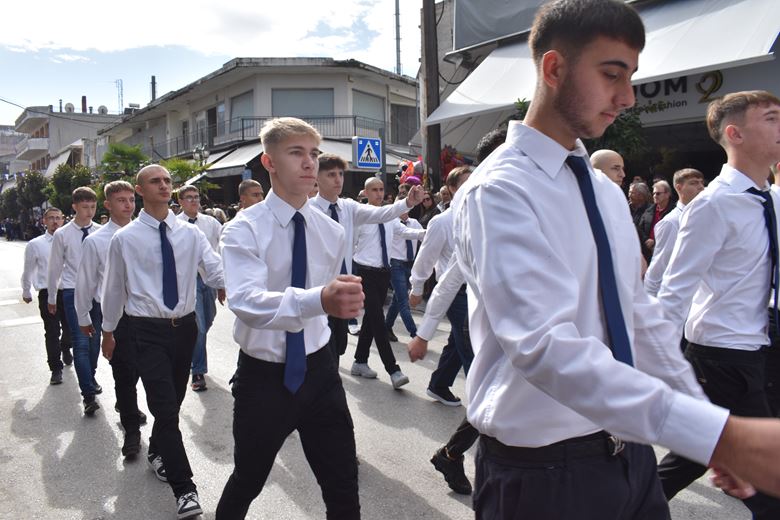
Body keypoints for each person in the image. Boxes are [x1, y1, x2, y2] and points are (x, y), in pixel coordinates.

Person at [452, 2, 780, 518]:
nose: (627, 97)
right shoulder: (499, 190)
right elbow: (544, 346)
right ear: (554, 68)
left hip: (632, 456)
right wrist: (719, 434)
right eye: (612, 74)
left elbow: (640, 317)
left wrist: (704, 431)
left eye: (631, 77)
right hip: (544, 475)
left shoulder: (602, 191)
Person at [217, 118, 363, 519]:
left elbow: (328, 299)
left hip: (320, 371)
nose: (309, 162)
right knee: (248, 479)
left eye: (313, 153)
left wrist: (340, 303)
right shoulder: (243, 229)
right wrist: (320, 299)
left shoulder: (331, 232)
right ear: (269, 162)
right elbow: (246, 301)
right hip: (264, 377)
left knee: (343, 484)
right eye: (296, 153)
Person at [655, 91, 780, 519]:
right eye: (772, 118)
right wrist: (659, 365)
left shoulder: (770, 200)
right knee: (765, 480)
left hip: (760, 347)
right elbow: (675, 290)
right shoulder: (712, 204)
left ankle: (626, 507)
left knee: (696, 455)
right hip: (721, 355)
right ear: (735, 134)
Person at [100, 165, 224, 519]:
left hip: (184, 329)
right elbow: (113, 289)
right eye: (156, 181)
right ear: (140, 190)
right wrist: (108, 332)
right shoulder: (125, 239)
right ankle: (185, 489)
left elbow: (214, 269)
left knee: (173, 402)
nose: (165, 185)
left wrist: (238, 288)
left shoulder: (190, 234)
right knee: (165, 407)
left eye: (168, 180)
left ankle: (158, 450)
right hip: (145, 331)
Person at [407, 127, 505, 496]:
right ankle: (460, 457)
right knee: (486, 385)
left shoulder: (506, 212)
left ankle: (450, 444)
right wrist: (419, 306)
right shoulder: (450, 221)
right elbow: (442, 274)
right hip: (467, 305)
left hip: (506, 318)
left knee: (489, 385)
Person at [309, 153, 423, 358]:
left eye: (341, 174)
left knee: (339, 345)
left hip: (343, 287)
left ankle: (358, 362)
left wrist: (407, 202)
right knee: (323, 350)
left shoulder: (348, 207)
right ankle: (388, 367)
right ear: (316, 177)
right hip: (317, 289)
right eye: (331, 174)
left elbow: (381, 214)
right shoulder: (308, 209)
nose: (338, 180)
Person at [75, 180, 147, 458]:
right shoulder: (96, 241)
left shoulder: (147, 234)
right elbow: (85, 282)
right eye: (121, 200)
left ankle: (126, 404)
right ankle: (132, 430)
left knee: (143, 370)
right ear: (107, 205)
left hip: (148, 315)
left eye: (131, 199)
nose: (128, 205)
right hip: (118, 317)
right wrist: (84, 316)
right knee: (124, 374)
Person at [350, 176, 425, 389]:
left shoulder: (389, 216)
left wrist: (427, 233)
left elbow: (404, 232)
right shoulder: (360, 216)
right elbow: (349, 243)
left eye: (381, 189)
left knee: (370, 320)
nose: (379, 193)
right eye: (374, 190)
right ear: (366, 192)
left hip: (384, 273)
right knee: (378, 320)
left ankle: (360, 361)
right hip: (365, 273)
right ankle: (393, 369)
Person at [409, 166, 472, 406]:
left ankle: (439, 384)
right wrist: (417, 288)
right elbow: (425, 258)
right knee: (471, 347)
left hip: (473, 291)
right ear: (452, 188)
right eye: (465, 182)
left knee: (458, 341)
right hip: (454, 293)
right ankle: (482, 405)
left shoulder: (479, 215)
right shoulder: (442, 221)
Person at [47, 186, 102, 414]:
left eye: (93, 207)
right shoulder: (62, 234)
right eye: (85, 207)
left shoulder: (101, 231)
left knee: (95, 340)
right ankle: (88, 394)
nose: (89, 211)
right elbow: (54, 268)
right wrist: (52, 297)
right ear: (74, 207)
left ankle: (90, 375)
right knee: (80, 342)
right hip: (72, 291)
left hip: (98, 293)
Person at [176, 185, 226, 392]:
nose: (194, 201)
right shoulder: (175, 225)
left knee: (208, 319)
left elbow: (221, 250)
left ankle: (192, 352)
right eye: (189, 197)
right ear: (180, 201)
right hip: (189, 281)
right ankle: (198, 371)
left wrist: (222, 284)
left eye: (196, 197)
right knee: (200, 327)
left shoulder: (211, 223)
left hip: (210, 280)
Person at [21, 207, 72, 385]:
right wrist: (26, 290)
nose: (55, 221)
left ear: (63, 220)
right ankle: (55, 368)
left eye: (58, 218)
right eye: (51, 218)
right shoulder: (35, 244)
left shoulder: (70, 241)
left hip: (69, 291)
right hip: (47, 292)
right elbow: (28, 269)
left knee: (70, 329)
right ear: (44, 221)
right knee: (52, 331)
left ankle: (66, 346)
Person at [643, 168, 705, 297]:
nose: (701, 187)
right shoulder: (671, 222)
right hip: (678, 295)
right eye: (694, 183)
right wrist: (651, 300)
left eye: (701, 182)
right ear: (679, 187)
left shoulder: (703, 215)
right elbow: (659, 266)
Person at [384, 203, 423, 341]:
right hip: (395, 264)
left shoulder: (415, 223)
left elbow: (425, 238)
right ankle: (415, 335)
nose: (404, 209)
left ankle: (386, 328)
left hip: (410, 264)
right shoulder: (392, 223)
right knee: (403, 301)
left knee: (397, 299)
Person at [638, 179, 673, 260]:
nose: (654, 196)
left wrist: (654, 241)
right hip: (647, 252)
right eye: (653, 193)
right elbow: (640, 228)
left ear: (667, 194)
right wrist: (646, 239)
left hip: (665, 253)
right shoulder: (649, 210)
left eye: (658, 193)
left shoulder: (674, 212)